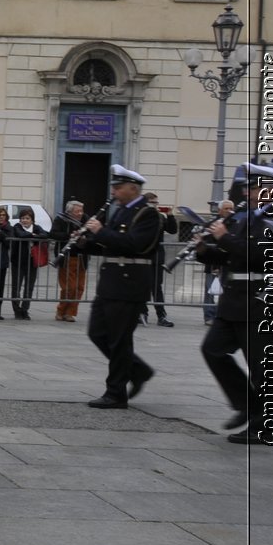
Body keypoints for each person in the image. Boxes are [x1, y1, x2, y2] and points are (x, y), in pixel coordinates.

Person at [196, 163, 273, 446]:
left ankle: (264, 427)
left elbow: (261, 256)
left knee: (262, 366)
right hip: (235, 299)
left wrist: (225, 237)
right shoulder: (245, 217)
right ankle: (246, 403)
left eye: (254, 187)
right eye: (249, 187)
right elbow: (231, 257)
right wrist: (205, 249)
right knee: (213, 350)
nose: (248, 191)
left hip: (262, 301)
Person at [76, 165, 160, 409]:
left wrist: (100, 232)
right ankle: (138, 370)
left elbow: (135, 244)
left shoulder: (147, 214)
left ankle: (116, 392)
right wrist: (84, 241)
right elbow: (109, 244)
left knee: (119, 340)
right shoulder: (121, 211)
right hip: (111, 282)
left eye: (118, 187)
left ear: (133, 189)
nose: (113, 191)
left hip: (129, 282)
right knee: (98, 333)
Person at [51, 199, 91, 322]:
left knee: (79, 287)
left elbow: (92, 234)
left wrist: (85, 237)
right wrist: (70, 235)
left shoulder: (86, 220)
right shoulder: (61, 219)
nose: (80, 213)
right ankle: (61, 311)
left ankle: (70, 313)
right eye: (77, 211)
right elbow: (53, 234)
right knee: (69, 287)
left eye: (81, 211)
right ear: (69, 211)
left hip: (82, 257)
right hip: (67, 257)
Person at [141, 192, 177, 327]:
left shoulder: (160, 217)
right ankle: (142, 313)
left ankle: (161, 315)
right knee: (143, 287)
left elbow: (172, 230)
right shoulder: (141, 215)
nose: (156, 204)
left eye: (156, 202)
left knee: (157, 287)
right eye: (153, 202)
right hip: (143, 257)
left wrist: (171, 215)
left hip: (156, 257)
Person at [9, 209, 46, 319]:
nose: (24, 220)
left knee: (29, 287)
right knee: (16, 287)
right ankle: (17, 310)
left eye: (27, 218)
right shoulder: (17, 226)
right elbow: (21, 235)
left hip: (32, 262)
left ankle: (25, 309)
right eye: (23, 218)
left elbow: (44, 235)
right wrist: (33, 235)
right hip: (18, 261)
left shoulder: (37, 227)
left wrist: (32, 235)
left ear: (32, 220)